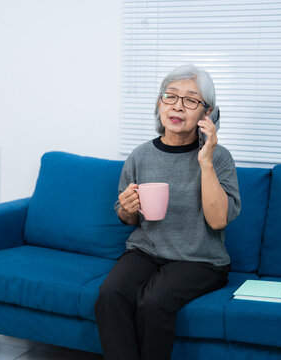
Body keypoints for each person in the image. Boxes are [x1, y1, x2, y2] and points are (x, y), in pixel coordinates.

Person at [94, 64, 241, 360]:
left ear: (207, 113)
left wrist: (206, 160)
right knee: (110, 296)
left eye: (190, 100)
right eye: (170, 96)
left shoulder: (219, 158)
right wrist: (127, 208)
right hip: (146, 251)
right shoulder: (140, 156)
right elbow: (128, 218)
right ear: (159, 104)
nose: (177, 106)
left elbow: (217, 220)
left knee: (153, 303)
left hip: (200, 260)